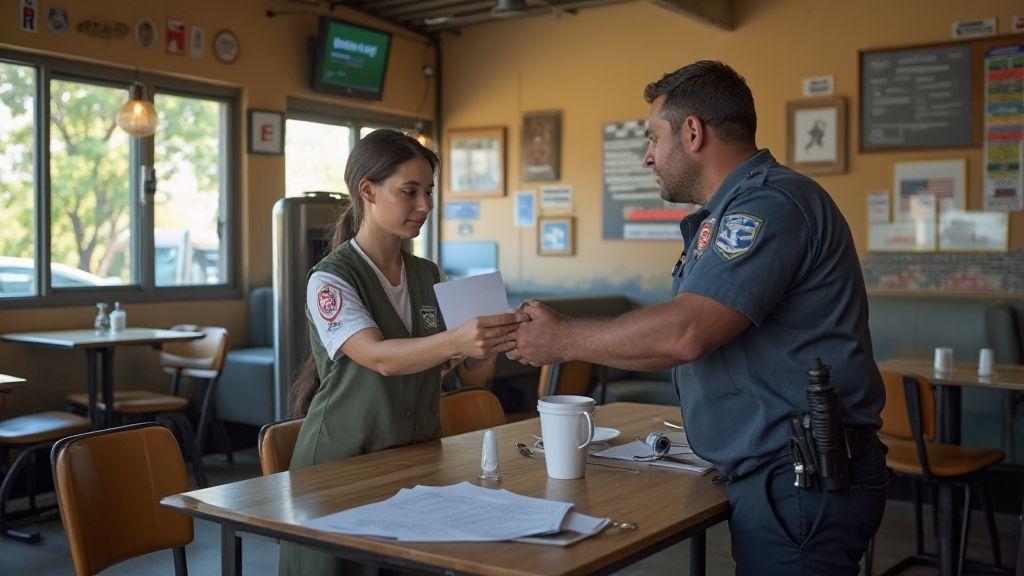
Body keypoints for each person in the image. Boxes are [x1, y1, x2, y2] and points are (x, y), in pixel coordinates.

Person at [510, 61, 887, 575]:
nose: (647, 156)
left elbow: (687, 331)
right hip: (774, 470)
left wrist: (564, 339)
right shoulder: (734, 210)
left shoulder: (767, 204)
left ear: (692, 133)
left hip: (797, 477)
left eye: (652, 138)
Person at [280, 129, 522, 576]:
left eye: (428, 191)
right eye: (409, 192)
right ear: (367, 192)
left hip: (414, 461)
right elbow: (380, 358)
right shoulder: (330, 279)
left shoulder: (429, 274)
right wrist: (459, 340)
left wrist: (501, 334)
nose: (424, 205)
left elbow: (468, 371)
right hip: (341, 468)